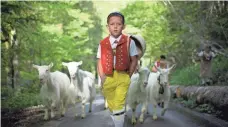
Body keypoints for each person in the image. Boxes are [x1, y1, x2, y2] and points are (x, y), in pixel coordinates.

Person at [97, 12, 138, 127]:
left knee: (119, 104)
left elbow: (134, 59)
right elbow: (99, 61)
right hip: (108, 77)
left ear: (123, 26)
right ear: (107, 27)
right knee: (112, 106)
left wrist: (128, 75)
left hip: (123, 75)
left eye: (118, 24)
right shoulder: (102, 43)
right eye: (112, 24)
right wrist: (102, 77)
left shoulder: (129, 41)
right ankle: (118, 122)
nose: (115, 26)